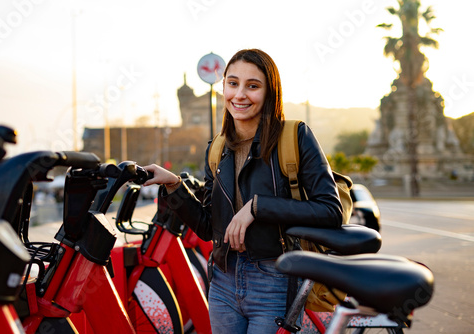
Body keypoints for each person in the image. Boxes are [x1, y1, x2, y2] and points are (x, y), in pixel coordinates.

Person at [144, 48, 342, 333]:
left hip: (275, 278)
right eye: (233, 83)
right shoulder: (217, 148)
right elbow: (207, 227)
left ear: (269, 92)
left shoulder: (295, 136)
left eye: (253, 86)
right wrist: (175, 185)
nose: (240, 95)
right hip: (223, 280)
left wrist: (257, 207)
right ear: (223, 86)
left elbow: (330, 211)